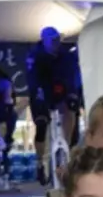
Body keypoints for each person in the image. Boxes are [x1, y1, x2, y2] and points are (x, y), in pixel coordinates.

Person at [27, 27, 82, 185]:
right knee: (42, 123)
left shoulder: (65, 56)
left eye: (57, 40)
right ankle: (39, 163)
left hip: (59, 88)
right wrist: (39, 98)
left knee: (71, 109)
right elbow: (33, 81)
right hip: (41, 89)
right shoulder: (35, 55)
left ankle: (67, 149)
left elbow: (71, 77)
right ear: (44, 41)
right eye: (52, 41)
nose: (55, 44)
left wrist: (72, 95)